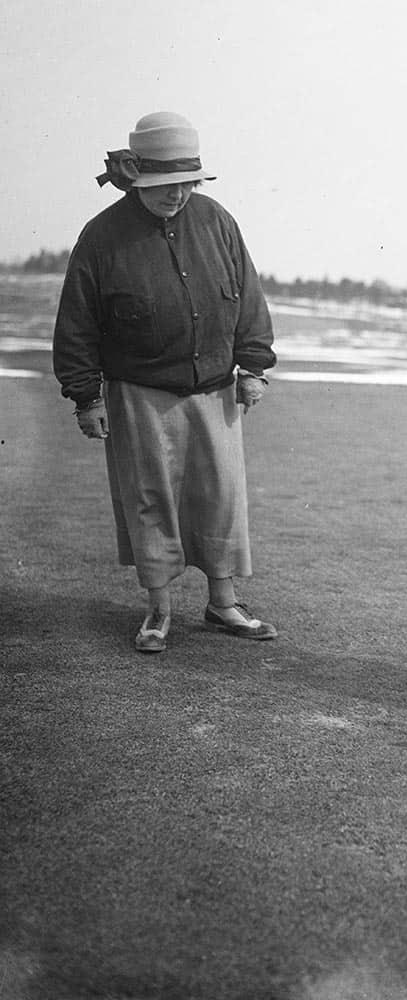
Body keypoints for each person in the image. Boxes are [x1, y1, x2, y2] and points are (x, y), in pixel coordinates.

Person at [53, 111, 277, 653]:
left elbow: (247, 297)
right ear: (134, 178)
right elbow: (77, 323)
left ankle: (223, 604)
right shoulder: (101, 236)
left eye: (185, 183)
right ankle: (158, 609)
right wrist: (86, 397)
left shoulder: (218, 221)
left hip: (215, 389)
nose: (176, 195)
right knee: (150, 499)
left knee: (220, 498)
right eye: (162, 185)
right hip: (139, 395)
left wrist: (254, 367)